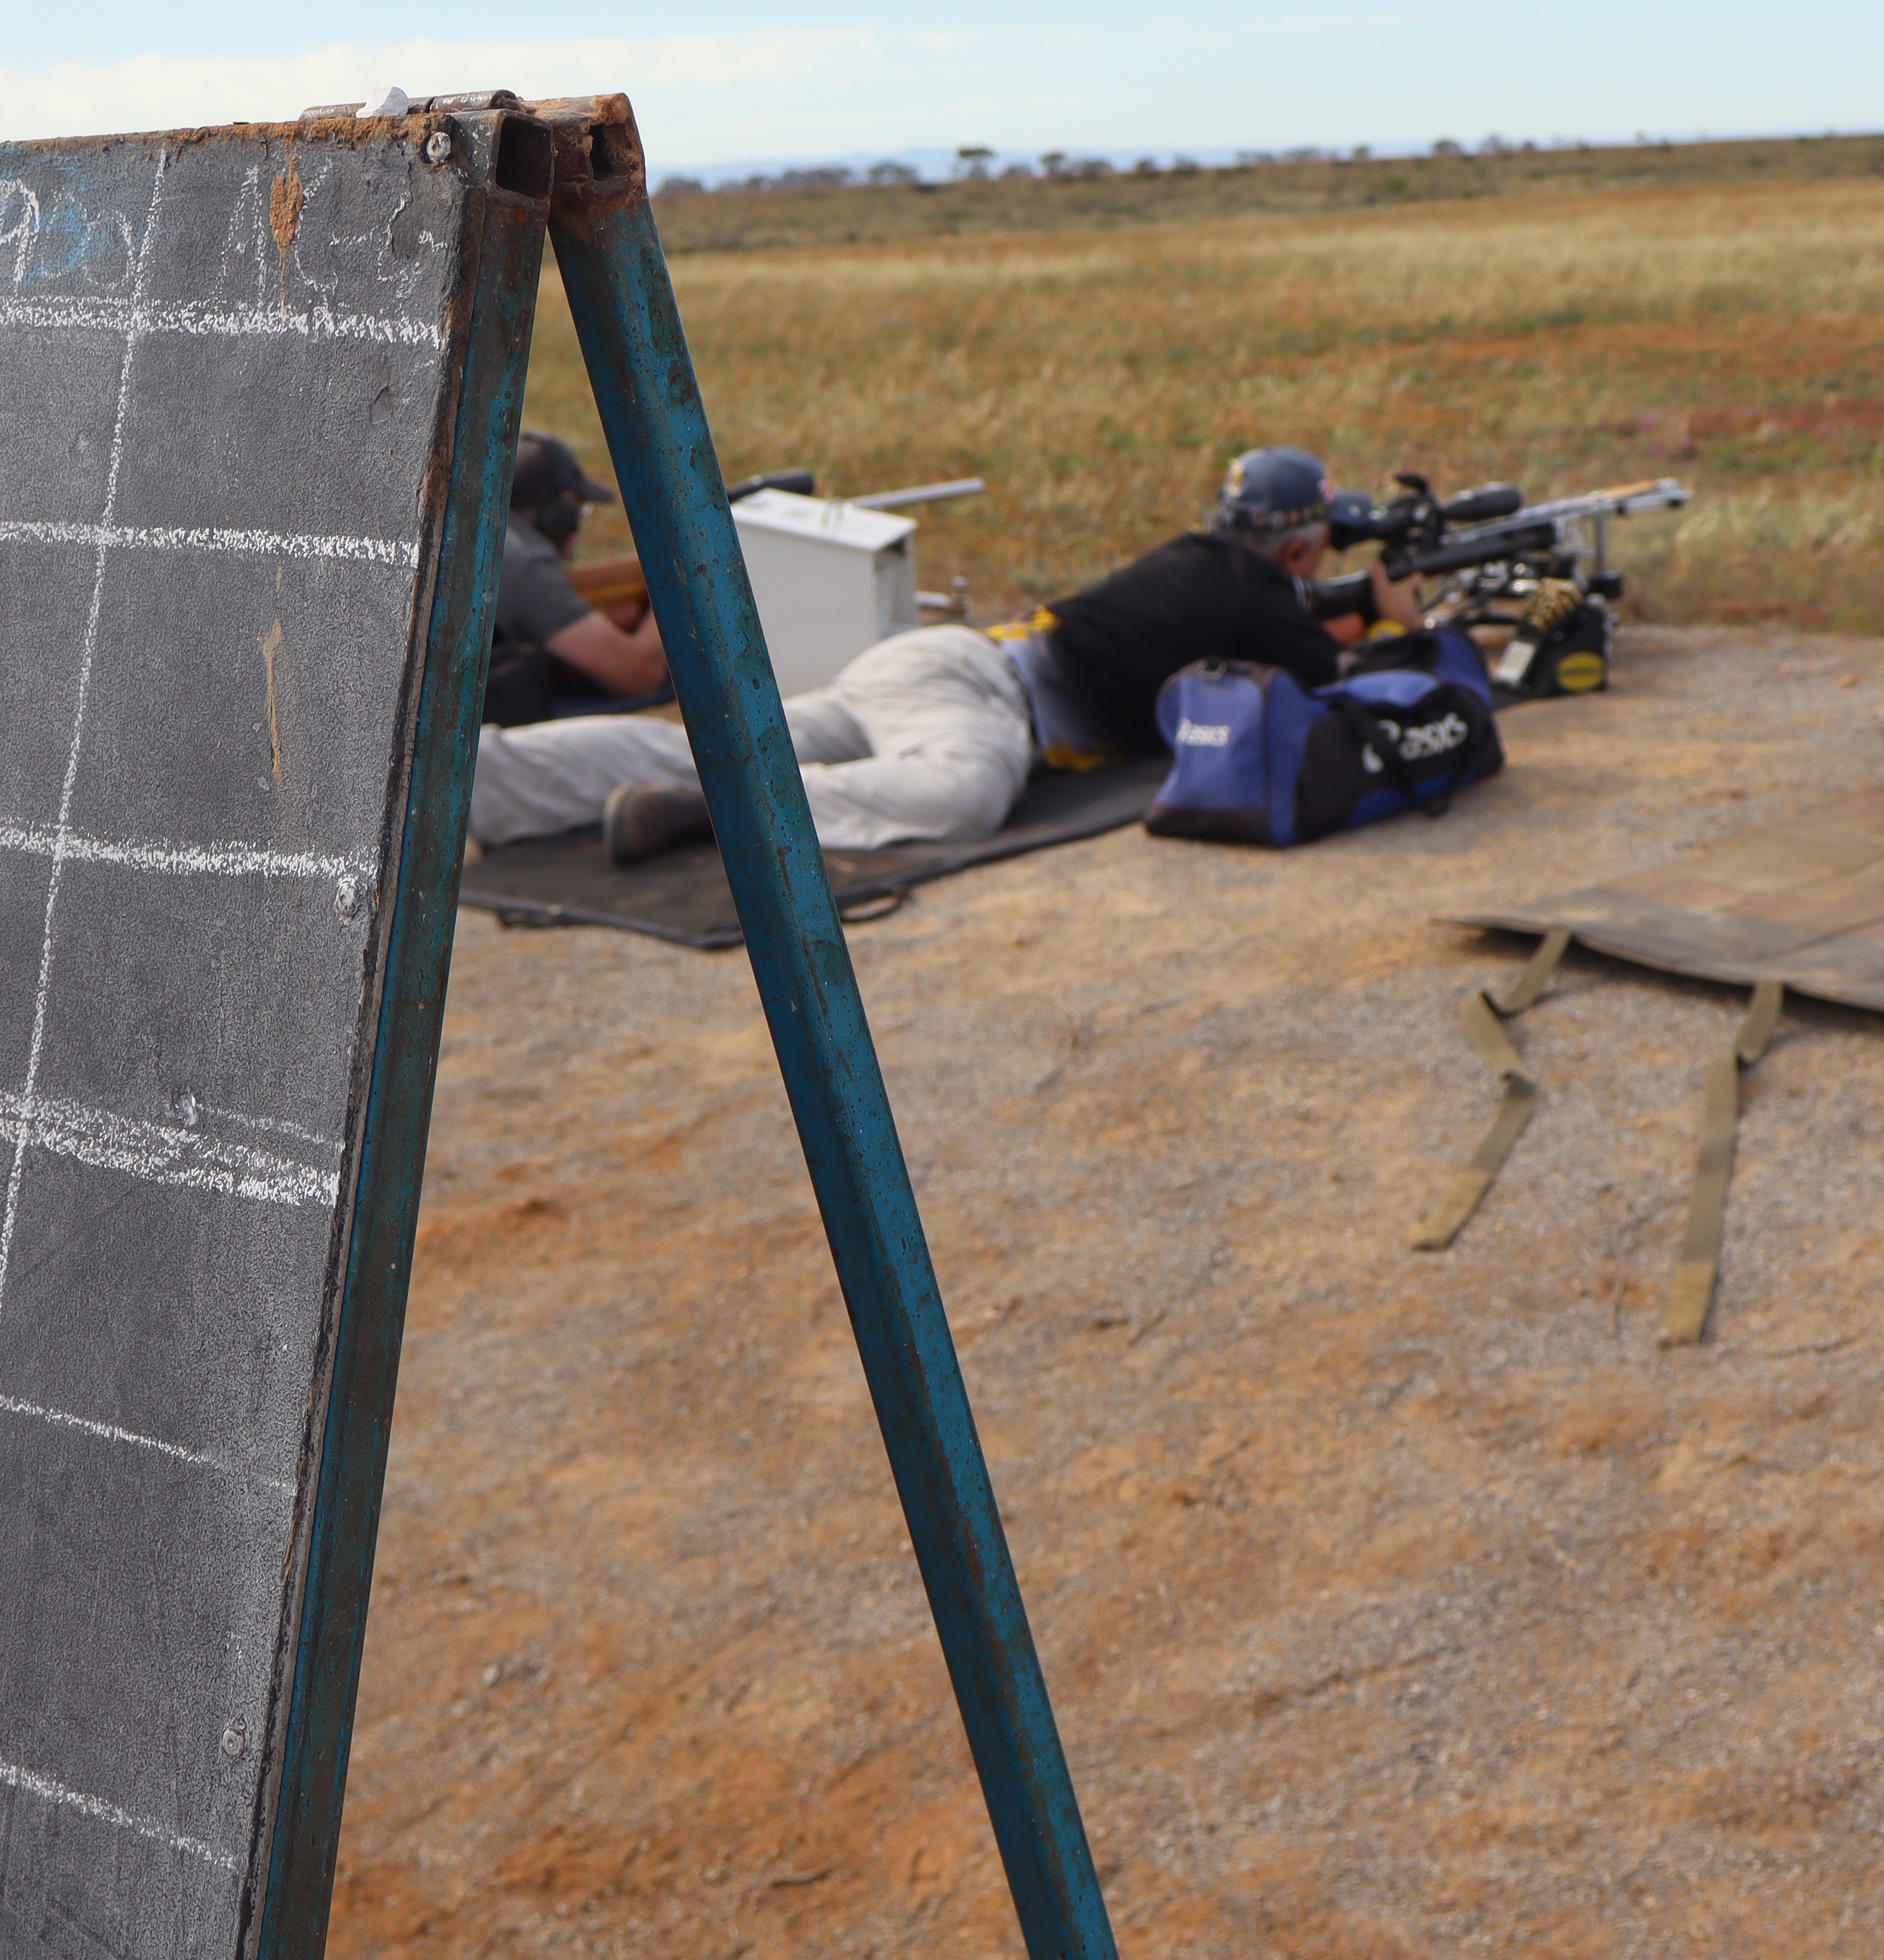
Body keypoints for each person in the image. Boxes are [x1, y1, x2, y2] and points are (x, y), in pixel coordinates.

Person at [467, 446, 1424, 861]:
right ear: (1297, 550)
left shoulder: (1204, 566)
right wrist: (1394, 620)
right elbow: (1334, 688)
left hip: (922, 666)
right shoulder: (1258, 590)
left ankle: (477, 782)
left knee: (695, 740)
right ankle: (720, 811)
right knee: (963, 795)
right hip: (981, 697)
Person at [482, 432, 668, 726]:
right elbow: (638, 675)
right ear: (562, 512)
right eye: (580, 508)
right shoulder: (528, 561)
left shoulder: (485, 538)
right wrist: (674, 591)